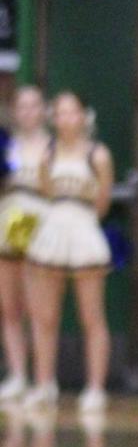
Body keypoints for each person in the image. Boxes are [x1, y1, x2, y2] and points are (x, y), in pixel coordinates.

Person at [24, 92, 115, 417]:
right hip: (52, 232)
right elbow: (47, 193)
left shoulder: (98, 154)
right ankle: (44, 384)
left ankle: (95, 388)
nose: (65, 119)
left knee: (91, 316)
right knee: (44, 316)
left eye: (71, 112)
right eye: (59, 113)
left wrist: (83, 218)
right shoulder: (47, 153)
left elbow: (103, 203)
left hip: (84, 231)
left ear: (83, 116)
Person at [0, 82, 50, 404]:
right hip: (11, 217)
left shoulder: (53, 146)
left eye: (34, 105)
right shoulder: (7, 145)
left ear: (44, 110)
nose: (28, 112)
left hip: (42, 220)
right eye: (22, 105)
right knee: (9, 304)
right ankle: (17, 375)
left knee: (38, 307)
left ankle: (43, 381)